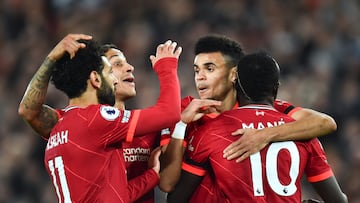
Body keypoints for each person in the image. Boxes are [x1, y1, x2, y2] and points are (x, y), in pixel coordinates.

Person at [159, 34, 337, 197]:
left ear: (234, 74)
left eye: (210, 69)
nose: (200, 77)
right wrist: (181, 124)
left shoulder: (271, 108)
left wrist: (263, 135)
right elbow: (167, 184)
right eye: (197, 70)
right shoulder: (185, 112)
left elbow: (325, 123)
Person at [18, 34, 182, 202]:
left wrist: (151, 176)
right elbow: (169, 112)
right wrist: (166, 66)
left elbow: (115, 195)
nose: (115, 79)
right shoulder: (97, 119)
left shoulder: (61, 126)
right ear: (95, 78)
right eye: (112, 69)